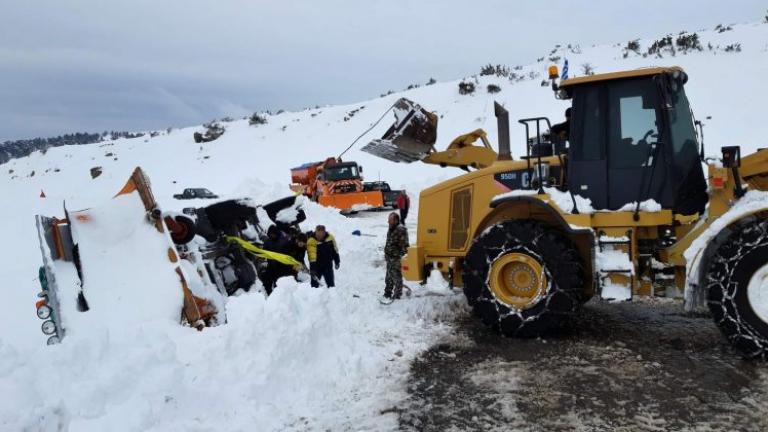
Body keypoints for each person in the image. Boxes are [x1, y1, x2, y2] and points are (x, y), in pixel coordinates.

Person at [384, 212, 409, 300]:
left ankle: (397, 295)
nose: (388, 221)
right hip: (389, 258)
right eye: (388, 220)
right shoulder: (391, 228)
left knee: (396, 277)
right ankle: (387, 293)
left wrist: (399, 257)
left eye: (390, 220)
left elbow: (405, 247)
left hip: (396, 258)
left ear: (396, 220)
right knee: (388, 276)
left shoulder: (401, 230)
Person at [260, 225, 291, 295]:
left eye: (273, 234)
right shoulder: (267, 242)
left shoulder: (283, 240)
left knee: (279, 283)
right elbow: (264, 252)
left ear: (276, 233)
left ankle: (279, 296)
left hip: (282, 266)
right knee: (267, 281)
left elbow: (288, 252)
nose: (272, 235)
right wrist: (261, 257)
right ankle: (269, 294)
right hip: (271, 265)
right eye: (270, 234)